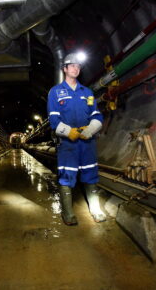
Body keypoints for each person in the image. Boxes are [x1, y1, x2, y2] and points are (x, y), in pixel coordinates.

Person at [47, 52, 106, 226]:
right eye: (72, 65)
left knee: (90, 174)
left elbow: (96, 114)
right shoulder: (56, 92)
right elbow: (53, 119)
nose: (76, 69)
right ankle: (68, 213)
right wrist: (68, 132)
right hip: (67, 143)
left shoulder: (86, 92)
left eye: (78, 66)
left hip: (87, 142)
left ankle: (95, 210)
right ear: (65, 69)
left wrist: (92, 129)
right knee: (67, 175)